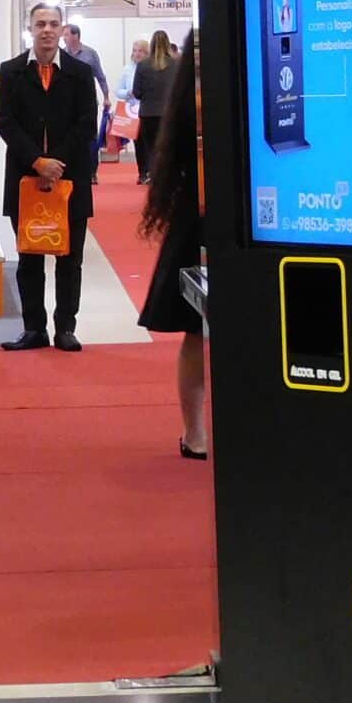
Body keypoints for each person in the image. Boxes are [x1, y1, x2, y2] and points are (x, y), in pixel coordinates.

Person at [0, 2, 100, 351]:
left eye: (53, 24)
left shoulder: (80, 73)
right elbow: (6, 122)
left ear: (62, 29)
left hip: (70, 179)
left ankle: (65, 328)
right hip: (25, 177)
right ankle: (34, 329)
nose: (47, 30)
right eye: (40, 23)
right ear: (30, 29)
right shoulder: (11, 71)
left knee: (70, 259)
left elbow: (87, 124)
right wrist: (37, 162)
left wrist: (56, 163)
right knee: (29, 258)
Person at [135, 30, 208, 456]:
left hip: (246, 216)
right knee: (197, 330)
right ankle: (194, 431)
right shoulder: (185, 97)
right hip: (197, 220)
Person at [130, 30, 177, 183]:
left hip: (148, 113)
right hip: (169, 113)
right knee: (169, 146)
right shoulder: (176, 64)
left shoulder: (142, 65)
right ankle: (169, 176)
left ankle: (154, 176)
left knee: (151, 148)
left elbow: (137, 92)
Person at [64, 21, 111, 154]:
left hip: (88, 101)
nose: (63, 38)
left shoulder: (90, 54)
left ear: (76, 36)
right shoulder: (61, 54)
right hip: (67, 102)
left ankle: (91, 164)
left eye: (66, 35)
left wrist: (106, 97)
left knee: (89, 134)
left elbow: (100, 76)